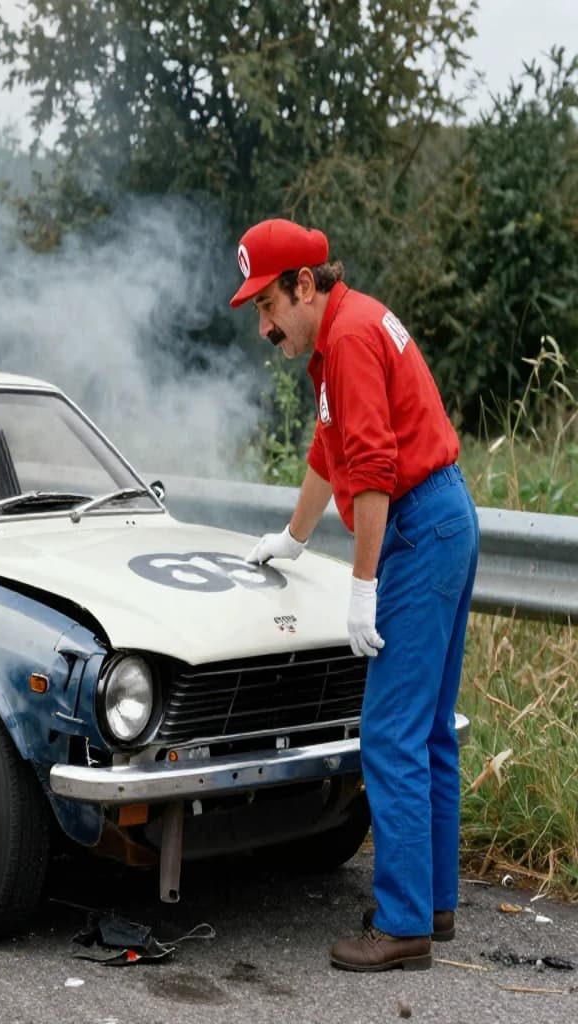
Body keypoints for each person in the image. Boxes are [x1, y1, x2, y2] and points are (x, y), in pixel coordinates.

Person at [230, 218, 479, 972]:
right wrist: (294, 538)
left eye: (268, 307)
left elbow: (370, 472)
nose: (265, 328)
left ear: (305, 284)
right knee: (429, 729)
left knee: (390, 734)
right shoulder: (349, 328)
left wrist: (363, 586)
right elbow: (328, 451)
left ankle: (402, 925)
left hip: (416, 531)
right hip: (445, 519)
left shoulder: (349, 342)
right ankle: (433, 904)